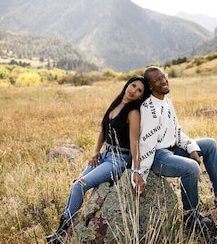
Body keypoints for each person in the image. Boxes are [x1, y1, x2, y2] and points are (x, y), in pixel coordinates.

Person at [132, 66, 217, 230]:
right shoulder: (149, 108)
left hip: (171, 149)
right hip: (157, 156)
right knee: (191, 168)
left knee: (210, 144)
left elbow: (177, 131)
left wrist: (191, 148)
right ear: (150, 86)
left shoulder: (167, 102)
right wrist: (139, 174)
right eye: (157, 80)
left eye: (163, 76)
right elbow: (145, 145)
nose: (163, 81)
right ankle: (190, 216)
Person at [46, 76, 150, 243]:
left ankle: (61, 235)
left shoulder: (133, 112)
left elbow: (134, 142)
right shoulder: (116, 104)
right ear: (127, 84)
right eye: (133, 85)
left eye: (139, 91)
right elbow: (104, 130)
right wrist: (96, 152)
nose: (134, 91)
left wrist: (137, 170)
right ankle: (61, 232)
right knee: (76, 184)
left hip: (118, 160)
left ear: (140, 97)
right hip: (104, 155)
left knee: (79, 186)